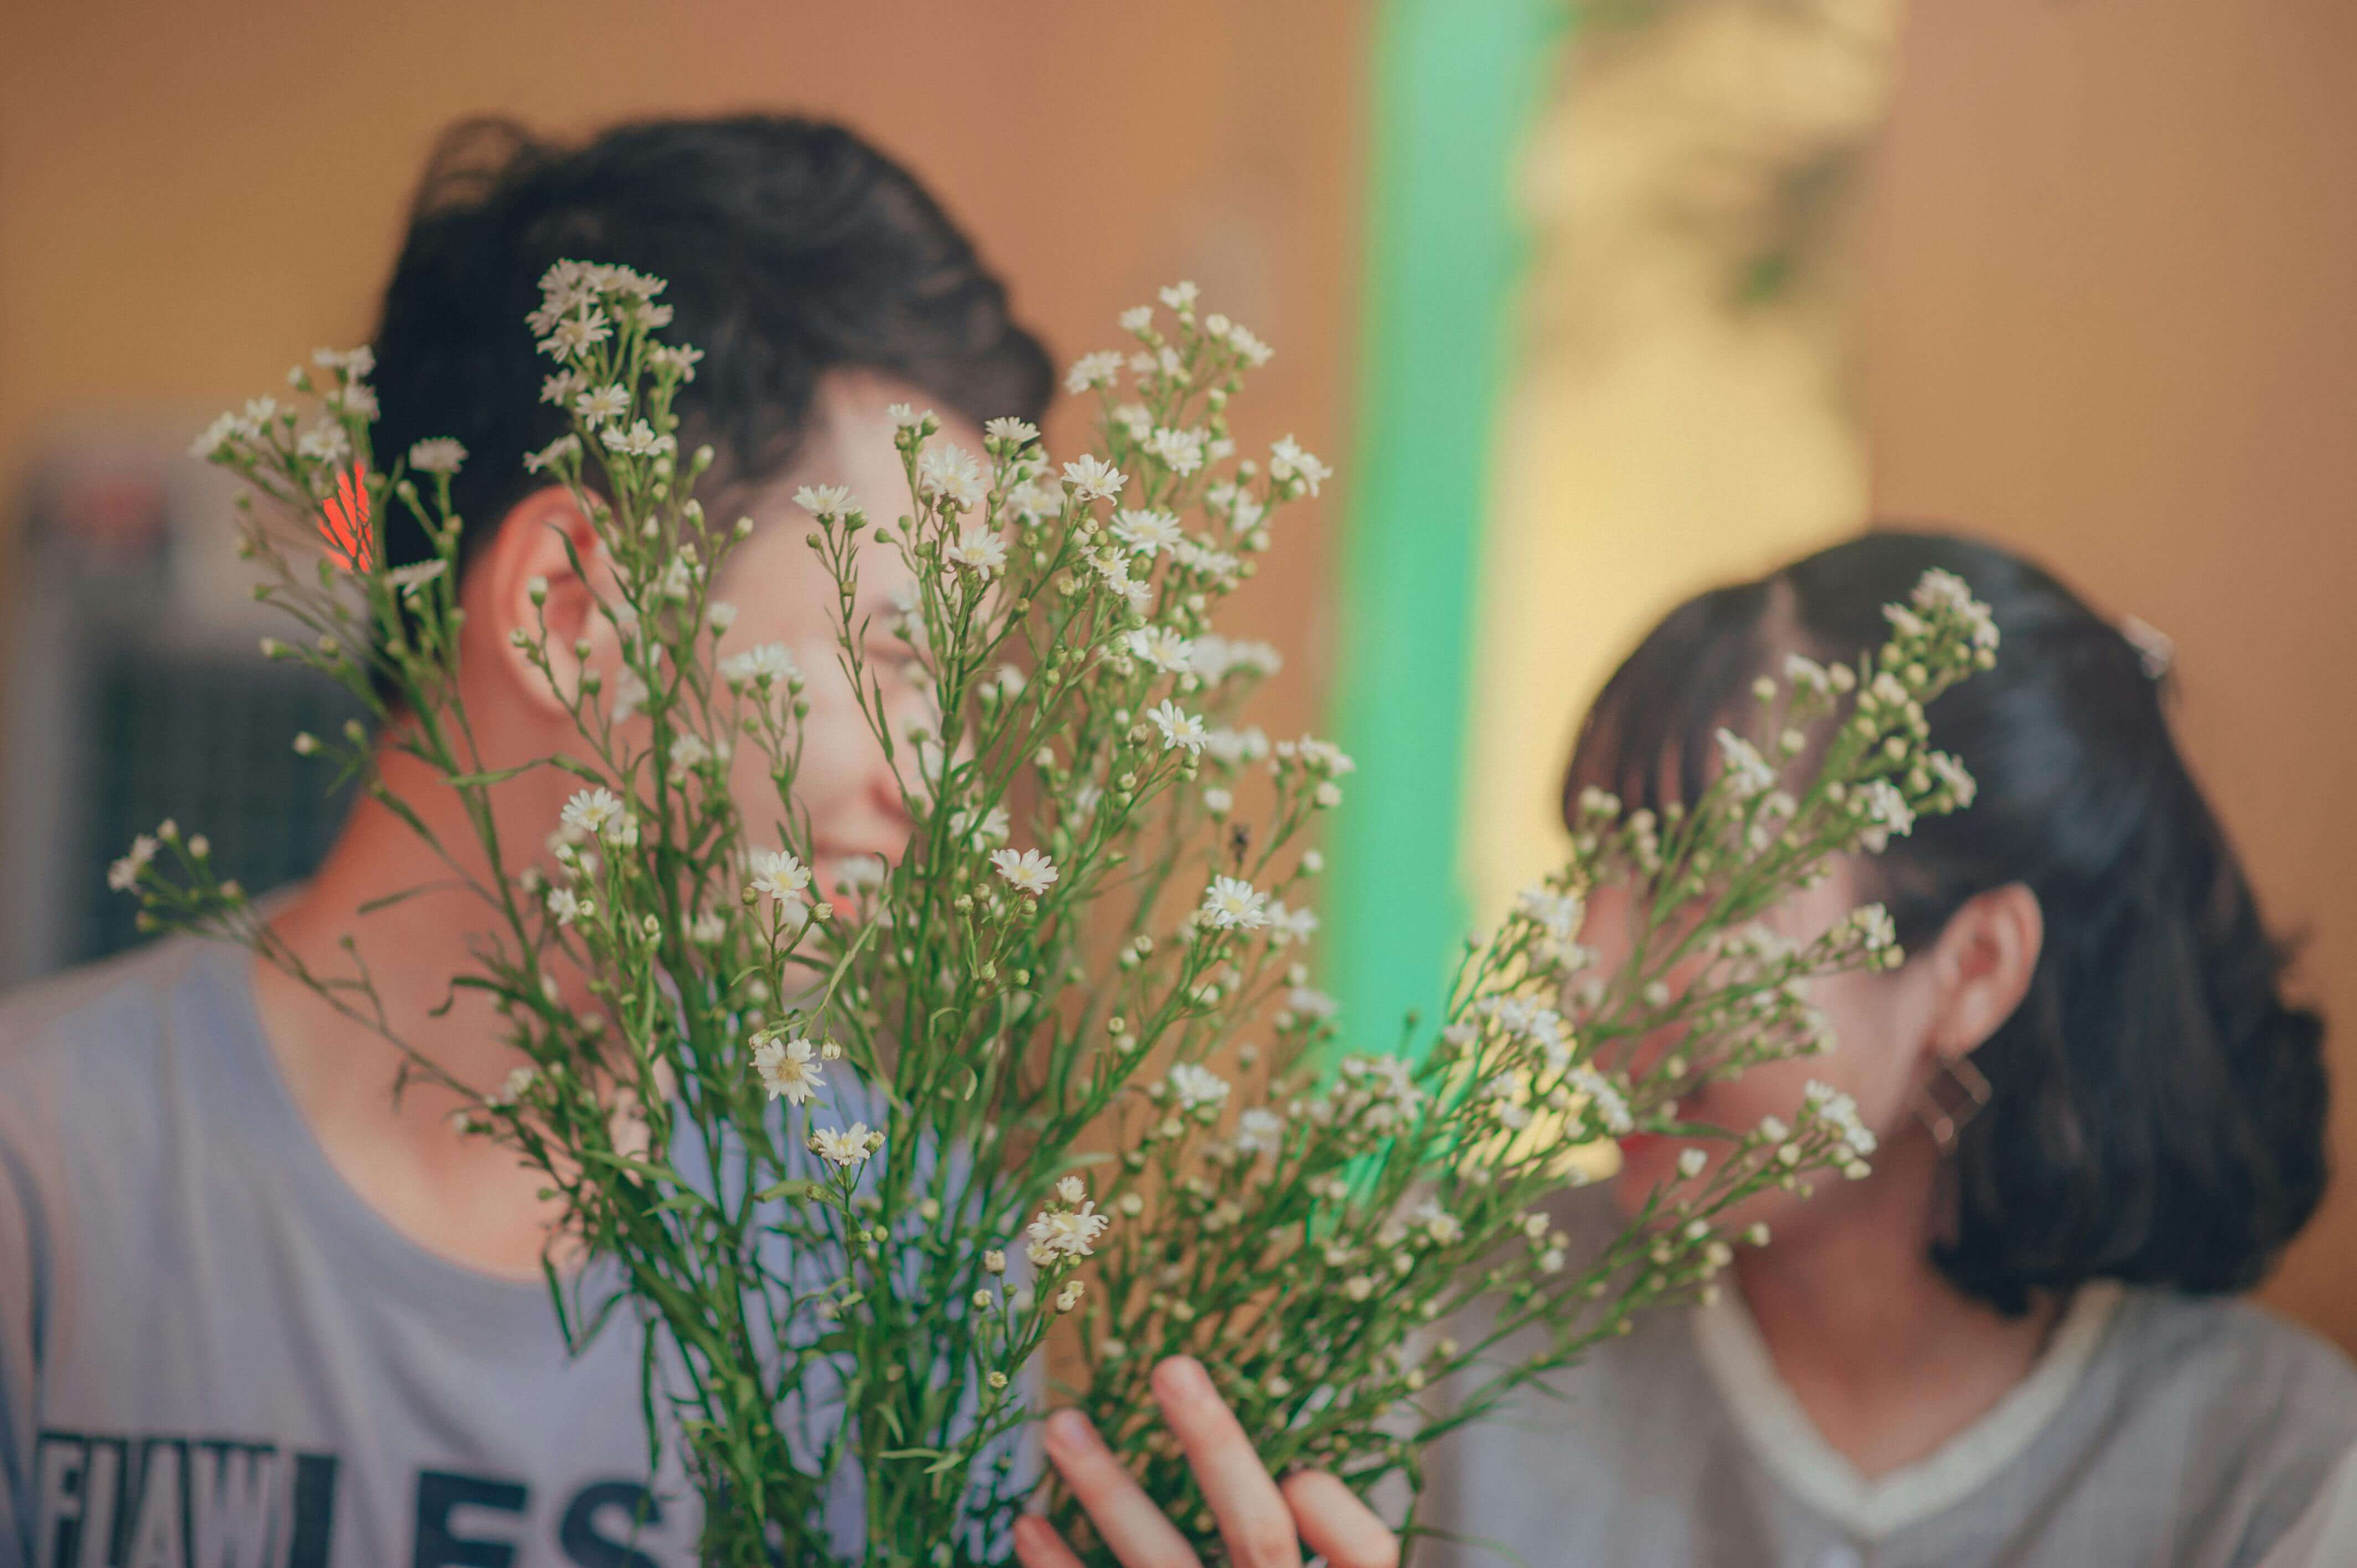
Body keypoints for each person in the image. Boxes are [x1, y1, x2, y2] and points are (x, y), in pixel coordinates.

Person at [0, 112, 1067, 1568]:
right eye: (891, 657)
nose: (938, 789)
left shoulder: (911, 1263)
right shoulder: (43, 1185)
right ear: (571, 607)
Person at [1025, 530, 2356, 1568]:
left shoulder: (2269, 1468)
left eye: (1690, 883)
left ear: (1972, 970)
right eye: (1593, 867)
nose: (1578, 971)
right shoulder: (1441, 1319)